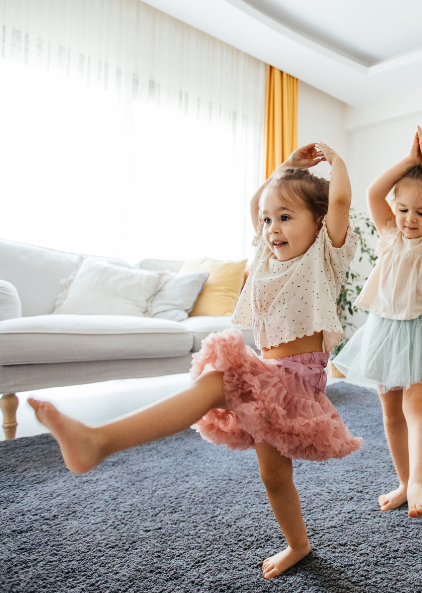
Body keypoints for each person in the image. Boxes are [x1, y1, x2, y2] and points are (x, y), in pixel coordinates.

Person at [28, 141, 363, 579]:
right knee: (273, 476)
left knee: (218, 381)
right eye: (268, 220)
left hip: (297, 381)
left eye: (286, 218)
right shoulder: (266, 255)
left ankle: (99, 441)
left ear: (319, 224)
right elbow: (255, 205)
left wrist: (336, 162)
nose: (272, 228)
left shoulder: (326, 255)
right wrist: (286, 168)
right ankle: (298, 545)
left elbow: (339, 199)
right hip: (272, 379)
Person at [333, 127, 422, 518]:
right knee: (391, 411)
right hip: (383, 330)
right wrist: (409, 162)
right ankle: (404, 480)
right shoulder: (389, 232)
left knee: (418, 405)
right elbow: (375, 192)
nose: (410, 219)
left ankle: (420, 482)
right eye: (404, 209)